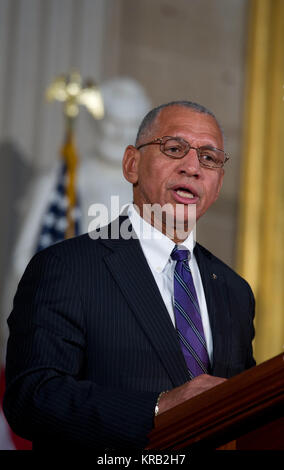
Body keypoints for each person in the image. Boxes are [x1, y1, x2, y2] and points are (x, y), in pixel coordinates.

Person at [3, 101, 255, 450]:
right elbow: (33, 398)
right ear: (131, 164)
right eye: (174, 149)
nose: (193, 167)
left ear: (218, 182)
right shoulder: (67, 266)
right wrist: (157, 408)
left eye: (209, 158)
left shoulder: (234, 291)